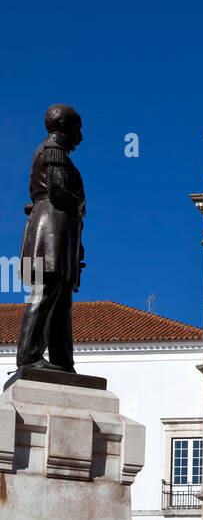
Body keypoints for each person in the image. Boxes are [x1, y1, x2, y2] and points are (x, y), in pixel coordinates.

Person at [16, 104, 86, 373]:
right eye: (77, 131)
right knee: (46, 291)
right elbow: (57, 190)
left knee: (61, 298)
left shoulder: (52, 153)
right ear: (64, 129)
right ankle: (29, 356)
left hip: (58, 229)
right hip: (51, 229)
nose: (80, 138)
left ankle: (62, 360)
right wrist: (79, 204)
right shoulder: (54, 152)